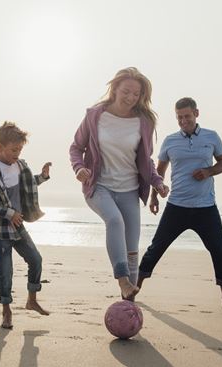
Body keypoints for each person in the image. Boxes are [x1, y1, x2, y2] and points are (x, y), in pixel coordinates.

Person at [70, 67, 169, 301]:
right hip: (99, 186)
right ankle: (123, 281)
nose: (131, 98)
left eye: (137, 94)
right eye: (126, 91)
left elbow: (146, 160)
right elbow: (76, 147)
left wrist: (157, 183)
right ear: (114, 89)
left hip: (130, 190)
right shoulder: (95, 115)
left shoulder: (144, 121)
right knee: (114, 221)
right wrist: (79, 168)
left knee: (132, 250)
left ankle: (129, 302)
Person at [138, 97, 222, 310]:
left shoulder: (211, 137)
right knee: (156, 248)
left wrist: (208, 171)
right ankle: (134, 288)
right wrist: (154, 196)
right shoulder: (170, 141)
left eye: (186, 116)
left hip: (206, 208)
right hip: (177, 206)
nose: (183, 120)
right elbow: (160, 172)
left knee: (219, 250)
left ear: (196, 113)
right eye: (179, 117)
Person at [0, 121, 52, 329]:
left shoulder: (20, 165)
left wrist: (43, 177)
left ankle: (32, 300)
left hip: (18, 226)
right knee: (6, 270)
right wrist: (8, 213)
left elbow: (27, 185)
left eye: (19, 149)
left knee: (36, 259)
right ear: (0, 147)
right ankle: (6, 311)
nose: (17, 153)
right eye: (13, 150)